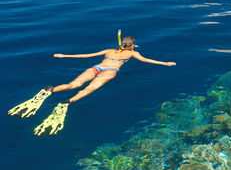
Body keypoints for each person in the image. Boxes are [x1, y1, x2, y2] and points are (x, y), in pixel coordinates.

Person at [7, 36, 176, 136]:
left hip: (97, 66)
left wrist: (64, 55)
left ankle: (49, 91)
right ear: (131, 45)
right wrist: (165, 63)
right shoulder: (133, 53)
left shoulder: (109, 50)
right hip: (110, 71)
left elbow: (85, 55)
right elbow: (146, 60)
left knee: (73, 84)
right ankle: (67, 102)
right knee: (88, 89)